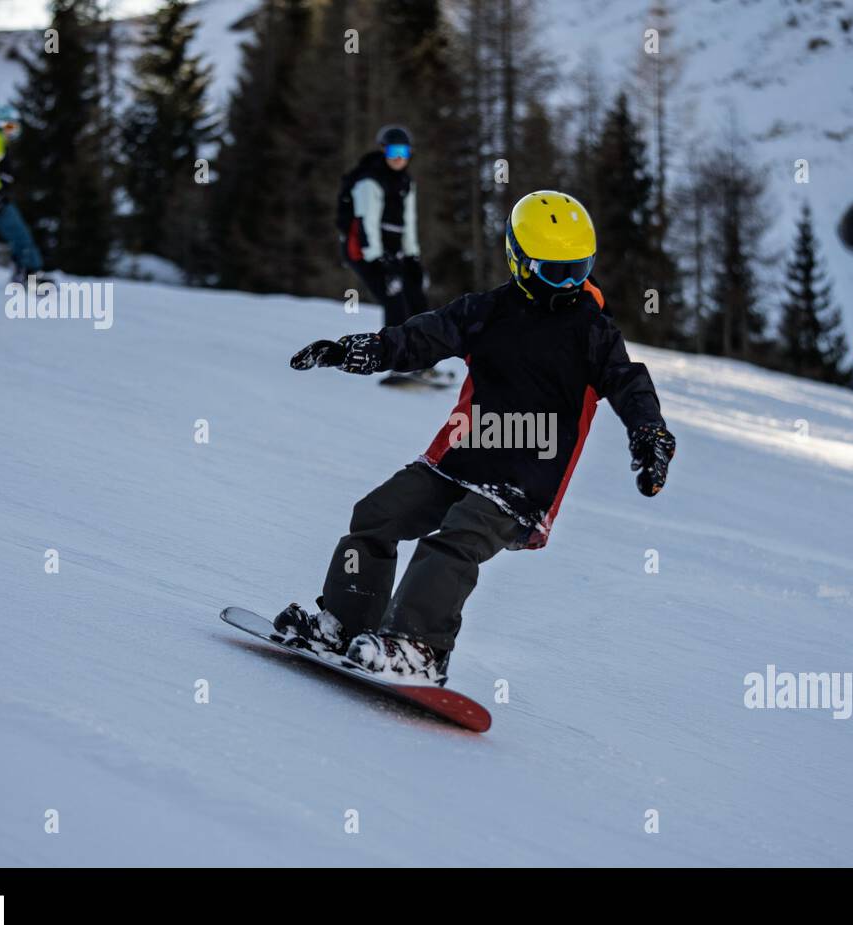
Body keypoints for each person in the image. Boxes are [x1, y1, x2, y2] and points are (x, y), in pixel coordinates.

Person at [279, 190, 676, 682]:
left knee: (455, 541)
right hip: (462, 459)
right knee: (377, 515)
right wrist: (357, 351)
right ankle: (346, 623)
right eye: (555, 272)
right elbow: (422, 338)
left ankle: (418, 648)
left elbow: (629, 382)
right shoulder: (487, 311)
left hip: (525, 480)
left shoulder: (593, 332)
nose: (570, 284)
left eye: (580, 269)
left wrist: (649, 432)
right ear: (519, 260)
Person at [337, 125, 428, 330]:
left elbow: (409, 221)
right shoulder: (369, 181)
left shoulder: (406, 181)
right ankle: (393, 355)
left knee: (416, 298)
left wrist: (412, 256)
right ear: (383, 151)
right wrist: (378, 260)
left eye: (402, 152)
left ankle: (422, 354)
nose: (398, 158)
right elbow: (365, 223)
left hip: (392, 247)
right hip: (363, 250)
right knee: (395, 300)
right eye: (392, 152)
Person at [0, 104, 43, 282]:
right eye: (9, 127)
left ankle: (22, 273)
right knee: (21, 235)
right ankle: (30, 275)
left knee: (19, 235)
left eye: (15, 128)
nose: (12, 133)